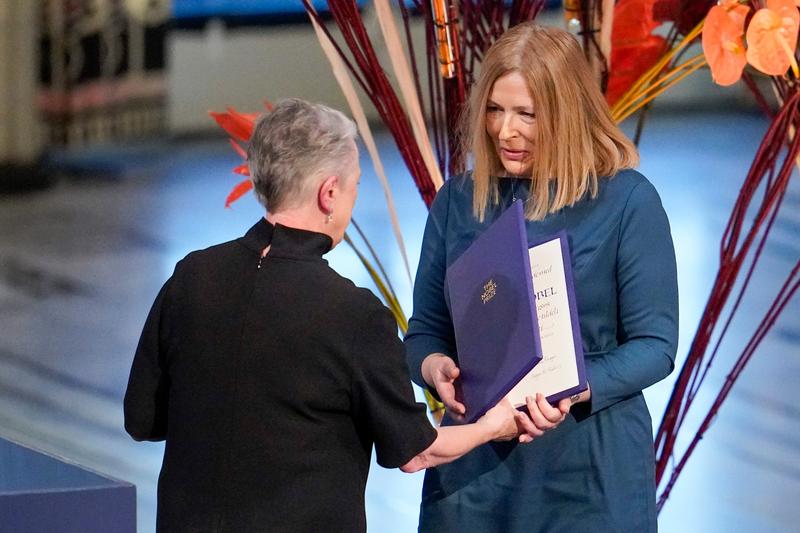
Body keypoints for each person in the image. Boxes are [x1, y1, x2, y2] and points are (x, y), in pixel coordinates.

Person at [123, 98, 519, 532]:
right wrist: (492, 426)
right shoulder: (355, 315)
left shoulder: (191, 276)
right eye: (354, 186)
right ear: (329, 193)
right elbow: (416, 451)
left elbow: (142, 419)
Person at [405, 23, 678, 532]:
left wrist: (574, 390)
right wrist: (433, 366)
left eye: (526, 114)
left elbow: (655, 346)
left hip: (588, 470)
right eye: (494, 109)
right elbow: (424, 331)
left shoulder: (629, 201)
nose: (504, 130)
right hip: (475, 474)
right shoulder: (457, 202)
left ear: (567, 112)